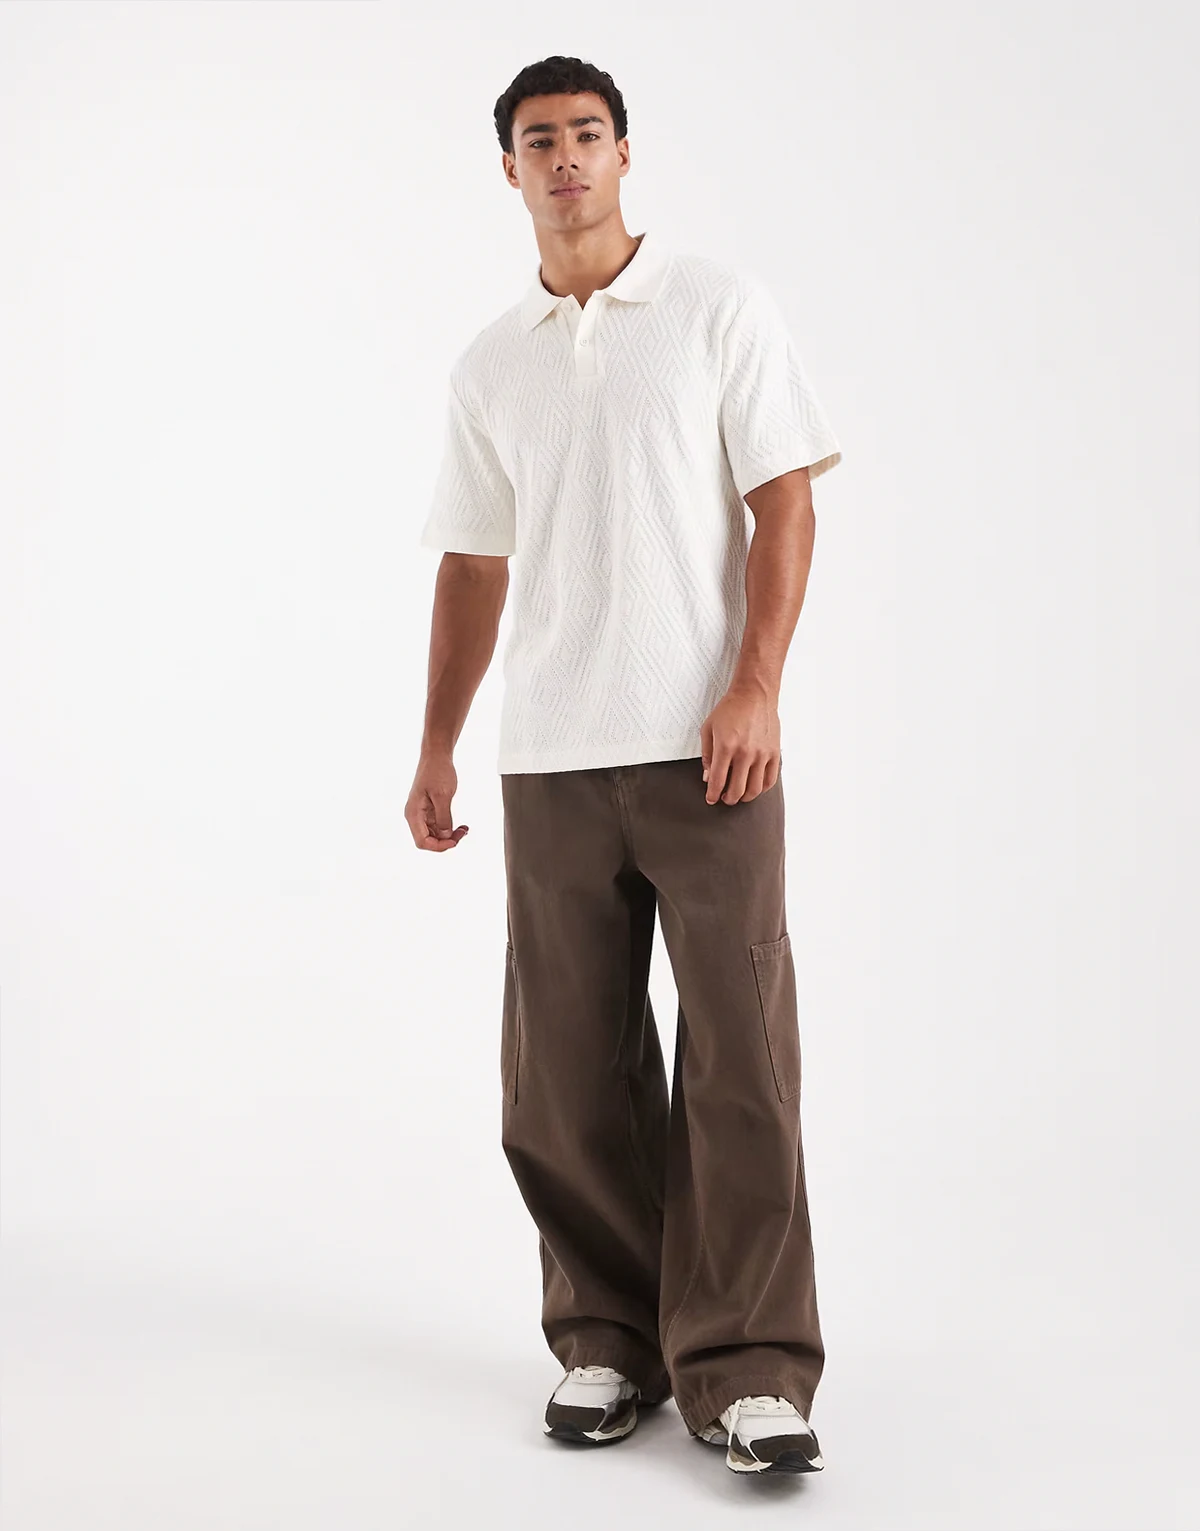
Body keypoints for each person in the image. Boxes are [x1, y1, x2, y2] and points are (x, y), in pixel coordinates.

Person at [408, 54, 843, 1478]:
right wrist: (437, 743)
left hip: (709, 751)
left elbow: (784, 499)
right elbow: (473, 566)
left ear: (625, 153)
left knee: (741, 1063)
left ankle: (750, 1368)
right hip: (550, 756)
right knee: (564, 1074)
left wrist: (754, 686)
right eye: (540, 140)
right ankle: (608, 1338)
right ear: (510, 169)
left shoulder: (714, 307)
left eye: (588, 133)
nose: (567, 157)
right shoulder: (494, 362)